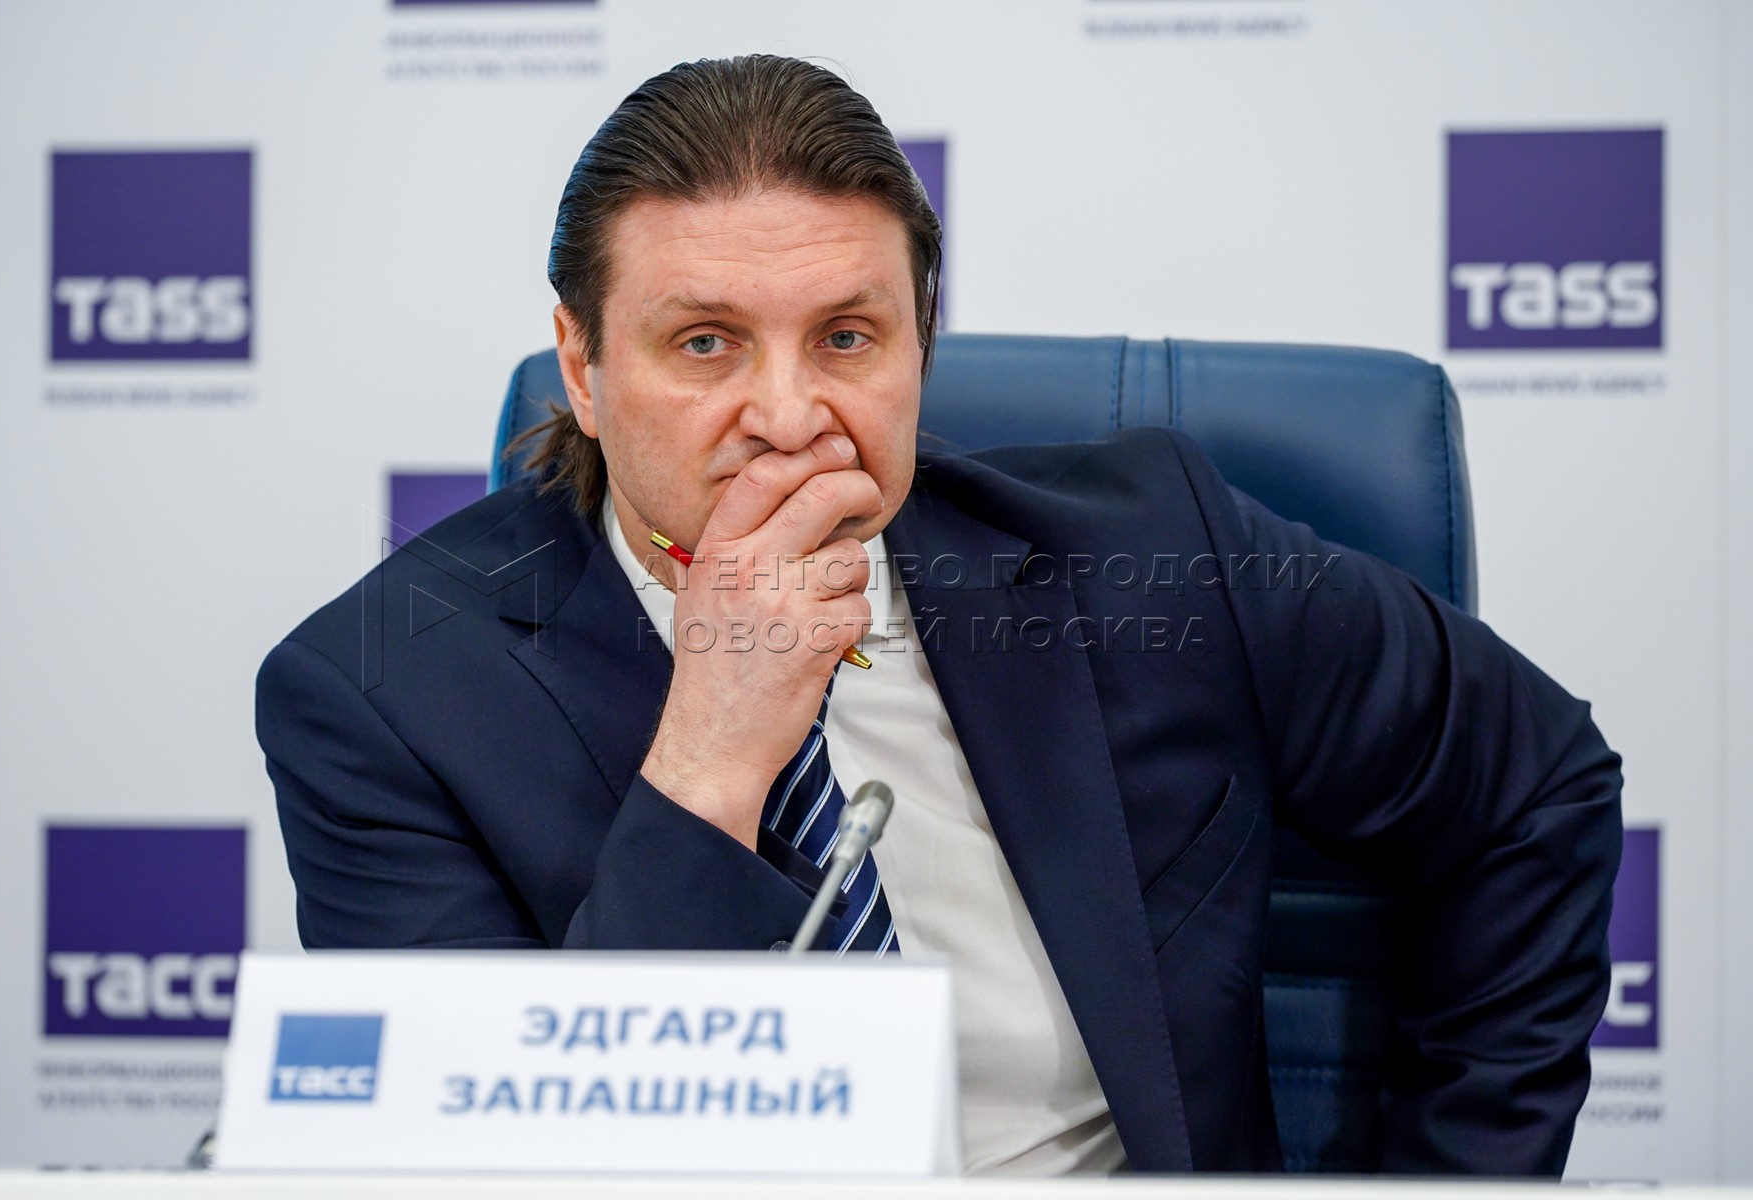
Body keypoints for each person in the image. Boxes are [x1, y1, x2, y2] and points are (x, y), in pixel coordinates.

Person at [256, 54, 1622, 1176]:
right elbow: (501, 1171)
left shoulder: (1154, 556)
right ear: (584, 367)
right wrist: (713, 760)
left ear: (920, 345)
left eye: (846, 338)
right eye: (705, 344)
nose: (788, 415)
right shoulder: (383, 696)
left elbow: (1538, 783)